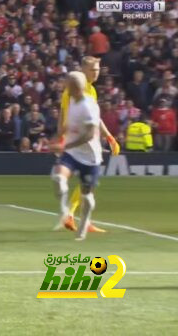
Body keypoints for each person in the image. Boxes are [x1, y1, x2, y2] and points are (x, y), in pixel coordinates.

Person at [56, 57, 118, 233]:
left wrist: (109, 136)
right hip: (82, 136)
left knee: (87, 176)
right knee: (90, 174)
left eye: (97, 69)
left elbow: (95, 117)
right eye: (92, 69)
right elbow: (64, 113)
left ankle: (79, 216)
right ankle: (73, 214)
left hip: (80, 136)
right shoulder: (77, 89)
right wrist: (62, 135)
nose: (96, 73)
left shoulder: (90, 89)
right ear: (83, 69)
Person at [50, 72, 103, 241]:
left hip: (90, 157)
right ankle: (65, 212)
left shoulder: (89, 106)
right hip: (72, 153)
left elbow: (89, 135)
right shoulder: (71, 100)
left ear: (74, 87)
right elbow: (69, 124)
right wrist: (59, 137)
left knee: (87, 196)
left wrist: (65, 145)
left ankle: (84, 222)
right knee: (58, 177)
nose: (64, 86)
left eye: (67, 83)